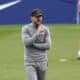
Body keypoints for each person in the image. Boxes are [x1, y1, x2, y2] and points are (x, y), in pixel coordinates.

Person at [21, 9, 51, 80]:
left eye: (40, 16)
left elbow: (48, 46)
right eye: (37, 17)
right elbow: (26, 43)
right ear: (31, 18)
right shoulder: (26, 28)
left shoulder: (45, 29)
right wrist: (37, 34)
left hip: (42, 61)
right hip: (30, 62)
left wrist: (34, 44)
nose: (39, 18)